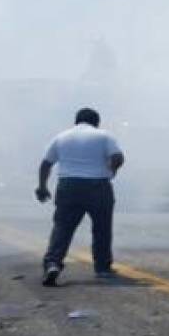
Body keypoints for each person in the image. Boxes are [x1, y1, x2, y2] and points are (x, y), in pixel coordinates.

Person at [36, 108, 125, 286]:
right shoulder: (104, 136)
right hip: (98, 186)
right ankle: (102, 268)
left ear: (76, 121)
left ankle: (53, 263)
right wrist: (112, 169)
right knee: (102, 229)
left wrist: (42, 186)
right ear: (96, 122)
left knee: (62, 227)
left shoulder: (62, 137)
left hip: (68, 185)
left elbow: (46, 163)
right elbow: (118, 156)